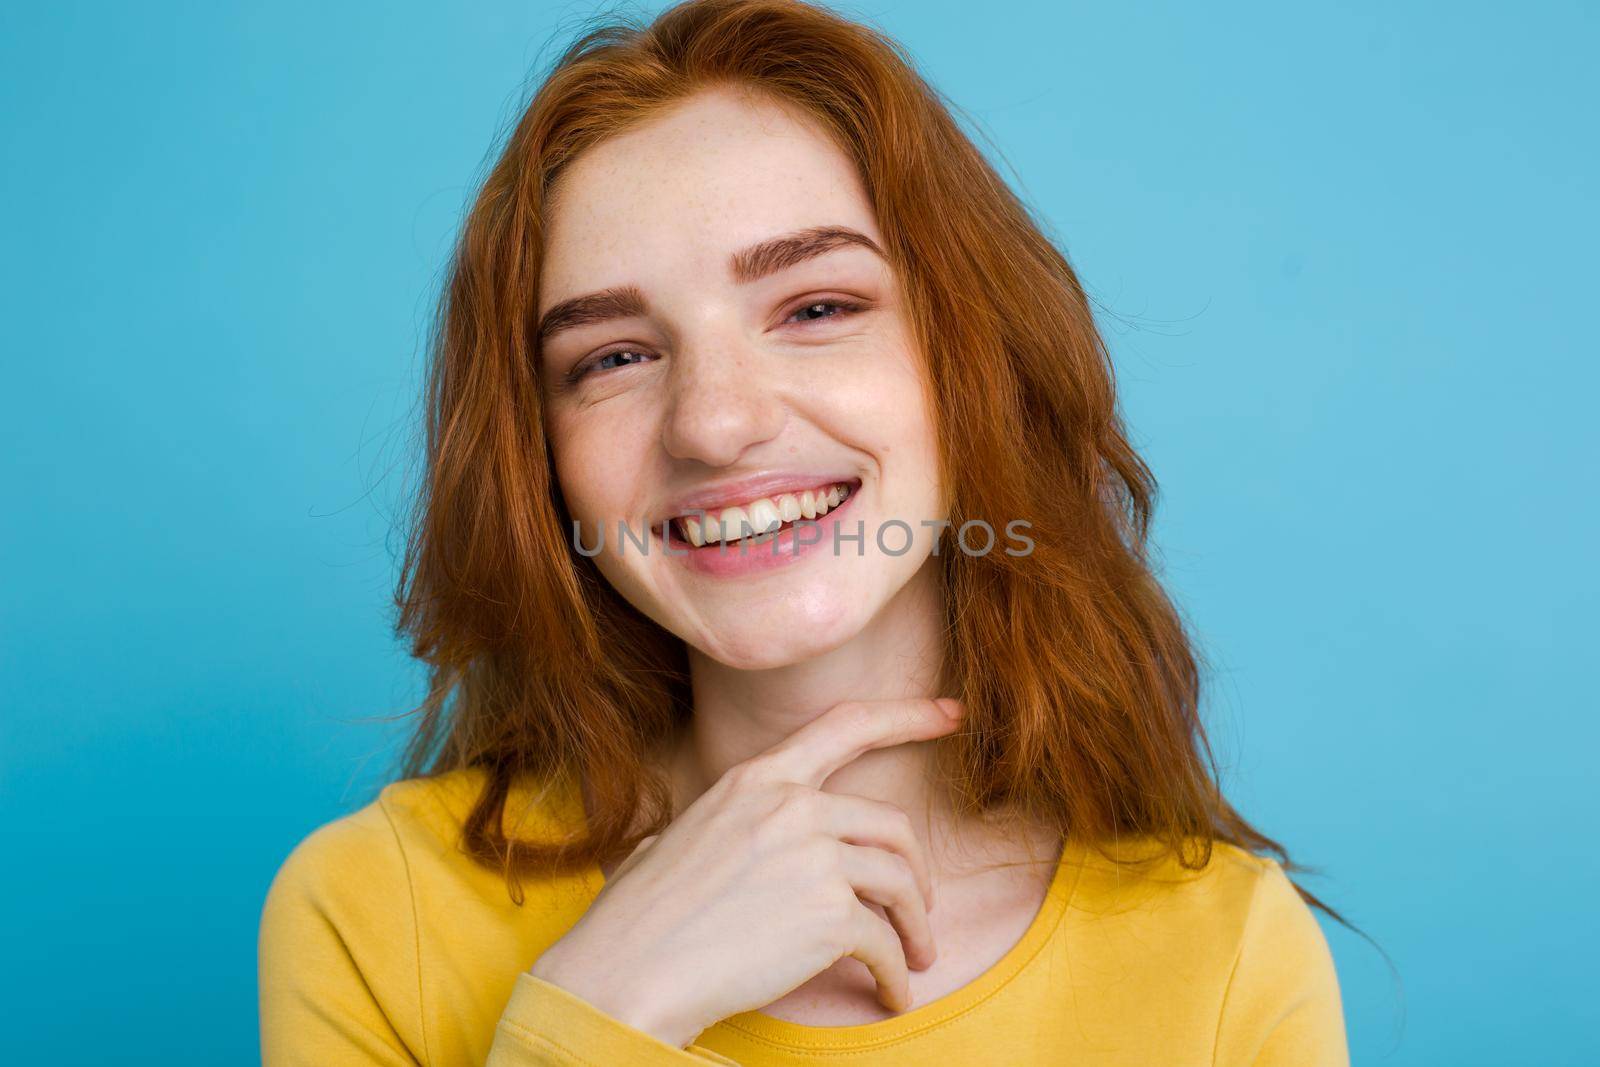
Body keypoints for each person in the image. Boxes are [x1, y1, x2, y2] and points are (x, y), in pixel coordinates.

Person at [258, 1, 1350, 1063]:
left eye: (816, 308)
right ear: (539, 460)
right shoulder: (375, 910)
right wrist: (602, 1007)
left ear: (974, 360)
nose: (716, 422)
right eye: (613, 357)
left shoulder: (1221, 950)